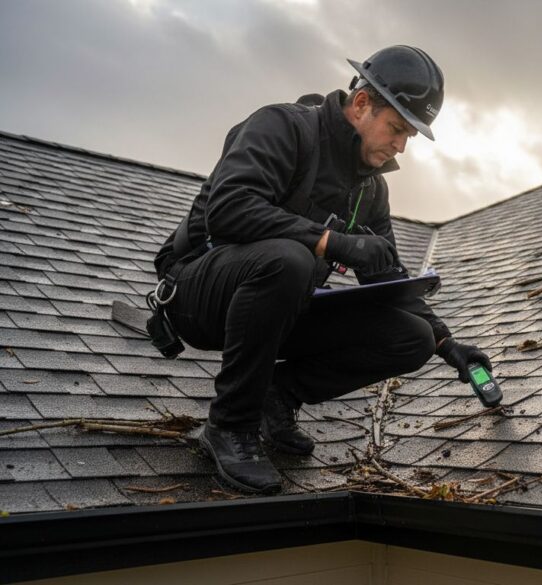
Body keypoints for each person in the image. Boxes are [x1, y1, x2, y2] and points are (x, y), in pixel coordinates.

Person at [152, 45, 492, 495]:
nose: (400, 146)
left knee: (413, 337)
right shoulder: (283, 127)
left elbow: (388, 279)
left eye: (409, 135)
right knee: (290, 259)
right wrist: (332, 241)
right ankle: (230, 425)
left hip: (278, 306)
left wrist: (446, 342)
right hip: (197, 294)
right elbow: (229, 210)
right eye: (396, 129)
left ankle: (276, 396)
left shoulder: (371, 190)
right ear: (362, 103)